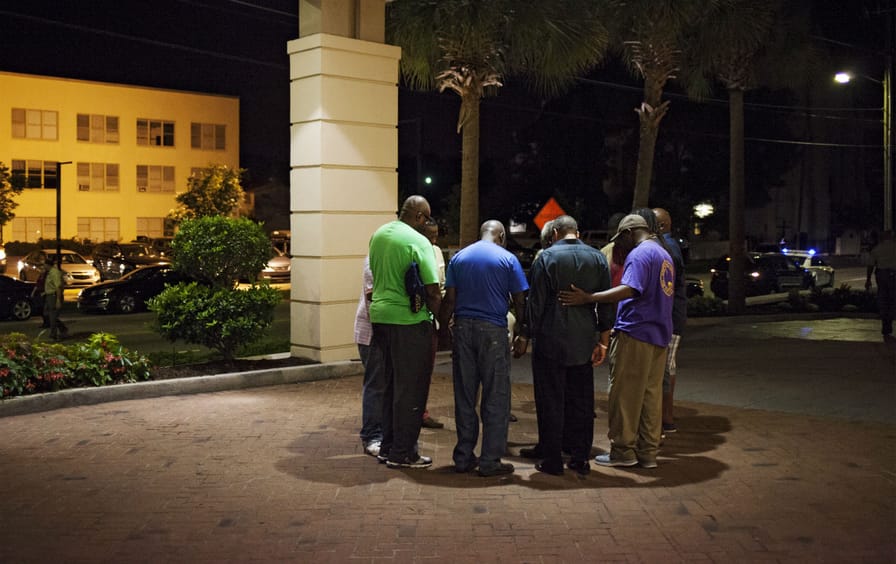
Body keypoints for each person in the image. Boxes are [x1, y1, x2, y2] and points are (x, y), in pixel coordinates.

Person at [559, 213, 673, 469]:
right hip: (658, 334)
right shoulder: (663, 254)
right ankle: (648, 453)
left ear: (628, 233)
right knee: (650, 397)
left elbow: (630, 289)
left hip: (635, 332)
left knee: (624, 396)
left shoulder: (640, 254)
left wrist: (590, 298)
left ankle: (623, 452)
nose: (620, 245)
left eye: (621, 239)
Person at [519, 215, 614, 476]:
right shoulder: (596, 258)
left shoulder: (546, 258)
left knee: (551, 399)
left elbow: (535, 303)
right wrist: (603, 341)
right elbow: (606, 303)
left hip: (551, 337)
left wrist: (526, 334)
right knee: (582, 400)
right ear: (577, 232)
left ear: (555, 233)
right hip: (583, 338)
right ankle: (580, 456)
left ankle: (552, 458)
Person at [439, 220, 528, 477]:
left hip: (464, 329)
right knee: (496, 396)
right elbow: (520, 300)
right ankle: (490, 460)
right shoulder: (508, 259)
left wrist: (445, 328)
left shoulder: (460, 257)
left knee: (465, 396)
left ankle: (464, 456)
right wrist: (522, 332)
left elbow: (450, 298)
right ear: (500, 235)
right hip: (493, 331)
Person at [368, 195, 443, 469]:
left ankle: (387, 446)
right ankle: (404, 453)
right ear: (420, 217)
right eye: (427, 218)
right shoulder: (417, 241)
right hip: (409, 321)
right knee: (411, 389)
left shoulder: (379, 234)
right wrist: (439, 320)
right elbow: (433, 290)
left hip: (380, 317)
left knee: (390, 385)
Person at [653, 207, 687, 434]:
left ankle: (665, 417)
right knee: (667, 367)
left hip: (669, 317)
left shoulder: (667, 248)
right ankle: (665, 417)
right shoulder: (669, 246)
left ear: (661, 226)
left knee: (665, 367)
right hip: (671, 316)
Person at [354, 256, 383, 456]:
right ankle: (372, 436)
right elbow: (373, 297)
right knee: (376, 384)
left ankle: (380, 433)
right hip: (372, 334)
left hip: (380, 333)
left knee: (382, 384)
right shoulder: (373, 261)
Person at [421, 220, 445, 429]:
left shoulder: (436, 251)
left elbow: (441, 286)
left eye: (436, 234)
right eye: (430, 235)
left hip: (432, 320)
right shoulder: (414, 248)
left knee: (427, 369)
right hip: (417, 317)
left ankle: (421, 410)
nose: (434, 239)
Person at [865, 230, 896, 341]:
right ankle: (889, 322)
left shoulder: (877, 249)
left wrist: (868, 280)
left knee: (883, 299)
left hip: (882, 275)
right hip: (893, 275)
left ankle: (885, 325)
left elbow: (870, 265)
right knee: (892, 300)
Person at [44, 256, 68, 341]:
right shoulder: (49, 272)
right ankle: (63, 329)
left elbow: (58, 287)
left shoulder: (54, 273)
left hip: (54, 296)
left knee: (52, 316)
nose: (44, 267)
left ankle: (53, 335)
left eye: (44, 265)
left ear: (47, 265)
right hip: (49, 295)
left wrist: (58, 300)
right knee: (47, 314)